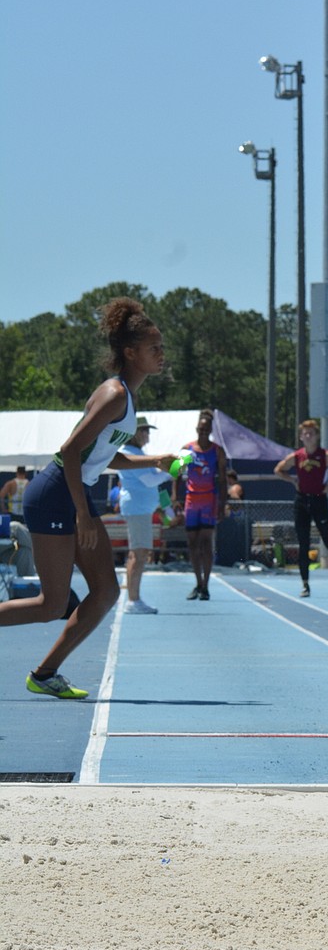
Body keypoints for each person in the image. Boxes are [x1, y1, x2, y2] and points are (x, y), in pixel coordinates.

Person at [0, 297, 175, 699]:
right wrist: (81, 513)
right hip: (56, 494)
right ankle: (44, 674)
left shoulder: (126, 399)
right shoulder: (114, 394)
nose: (162, 355)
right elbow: (71, 451)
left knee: (107, 593)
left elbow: (102, 455)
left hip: (73, 493)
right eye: (155, 348)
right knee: (51, 604)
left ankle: (44, 674)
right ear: (130, 353)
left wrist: (155, 460)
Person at [274, 419, 328, 599]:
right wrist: (292, 480)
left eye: (311, 433)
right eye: (305, 433)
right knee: (303, 543)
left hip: (319, 500)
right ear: (301, 437)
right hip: (302, 500)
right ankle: (305, 584)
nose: (308, 436)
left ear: (317, 436)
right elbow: (278, 469)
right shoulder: (297, 456)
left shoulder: (325, 455)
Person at [118, 417, 170, 615]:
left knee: (138, 553)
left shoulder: (137, 453)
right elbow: (149, 480)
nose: (147, 434)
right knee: (139, 554)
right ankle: (133, 600)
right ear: (134, 433)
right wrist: (170, 473)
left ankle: (133, 598)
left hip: (141, 509)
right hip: (137, 509)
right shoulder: (130, 454)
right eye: (143, 431)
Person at [174, 409, 227, 601]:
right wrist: (174, 497)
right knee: (192, 543)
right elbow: (176, 472)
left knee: (206, 543)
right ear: (197, 428)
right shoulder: (188, 449)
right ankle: (197, 583)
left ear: (211, 430)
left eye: (207, 429)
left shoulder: (216, 451)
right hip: (191, 500)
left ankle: (206, 585)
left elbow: (223, 479)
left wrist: (222, 504)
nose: (203, 432)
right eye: (201, 428)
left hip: (208, 501)